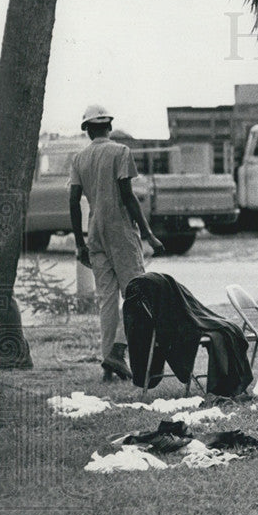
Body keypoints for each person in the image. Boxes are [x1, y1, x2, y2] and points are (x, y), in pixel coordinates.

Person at [69, 104, 165, 381]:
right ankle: (118, 351)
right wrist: (148, 234)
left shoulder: (79, 159)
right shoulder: (120, 152)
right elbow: (128, 196)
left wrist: (79, 243)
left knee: (106, 302)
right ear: (109, 127)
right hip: (121, 232)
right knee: (138, 296)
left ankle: (107, 365)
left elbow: (73, 202)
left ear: (87, 130)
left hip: (94, 233)